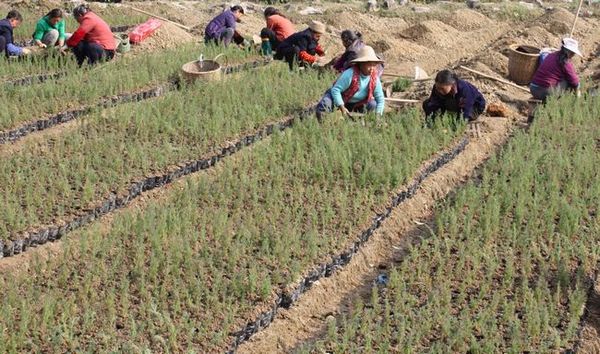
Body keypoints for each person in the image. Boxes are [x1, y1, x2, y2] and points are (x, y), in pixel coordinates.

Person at [316, 46, 385, 120]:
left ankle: (362, 123)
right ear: (361, 64)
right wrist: (342, 107)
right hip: (340, 98)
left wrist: (378, 116)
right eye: (369, 65)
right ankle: (323, 125)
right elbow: (336, 90)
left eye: (374, 65)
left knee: (373, 105)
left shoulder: (374, 78)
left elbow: (380, 99)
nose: (372, 68)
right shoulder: (350, 74)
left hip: (357, 103)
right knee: (325, 104)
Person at [530, 37, 581, 102]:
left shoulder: (551, 55)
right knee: (569, 82)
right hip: (544, 92)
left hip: (533, 89)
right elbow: (575, 82)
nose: (573, 55)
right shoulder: (565, 63)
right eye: (573, 53)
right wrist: (578, 92)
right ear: (569, 52)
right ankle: (571, 102)